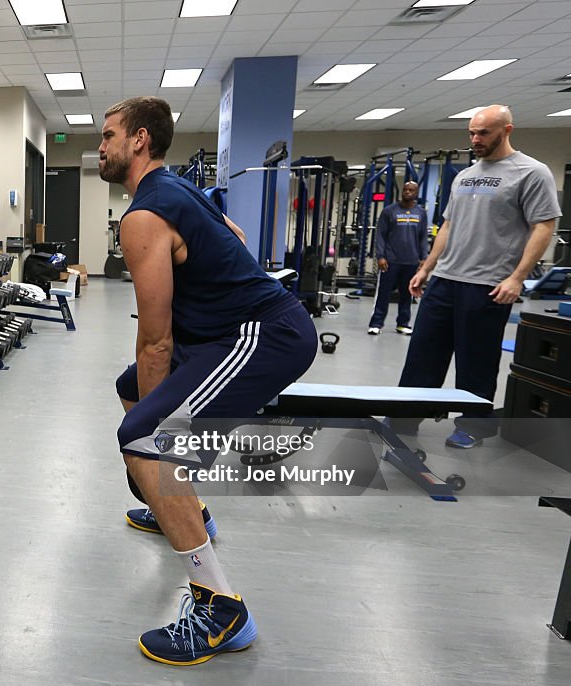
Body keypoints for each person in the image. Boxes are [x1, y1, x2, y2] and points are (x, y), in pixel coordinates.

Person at [99, 96, 317, 665]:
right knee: (130, 390)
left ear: (140, 140)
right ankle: (186, 507)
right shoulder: (175, 189)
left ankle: (222, 609)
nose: (100, 147)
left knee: (145, 440)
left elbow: (156, 343)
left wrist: (153, 449)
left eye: (108, 136)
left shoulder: (144, 216)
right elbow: (237, 235)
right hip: (226, 332)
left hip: (263, 335)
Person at [398, 104, 560, 448]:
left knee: (476, 361)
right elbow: (448, 225)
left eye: (483, 133)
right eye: (472, 132)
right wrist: (427, 267)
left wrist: (517, 277)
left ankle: (473, 425)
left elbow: (543, 226)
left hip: (488, 284)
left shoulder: (531, 172)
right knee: (422, 354)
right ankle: (403, 417)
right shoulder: (465, 175)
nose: (475, 139)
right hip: (445, 278)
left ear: (507, 130)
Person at [368, 181, 427, 335]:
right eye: (405, 189)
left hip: (411, 261)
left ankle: (402, 324)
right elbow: (380, 235)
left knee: (407, 295)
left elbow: (422, 237)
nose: (407, 192)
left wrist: (423, 258)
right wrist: (380, 256)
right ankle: (376, 323)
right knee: (383, 294)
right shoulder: (389, 211)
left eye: (411, 190)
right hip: (390, 261)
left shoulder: (421, 213)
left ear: (416, 193)